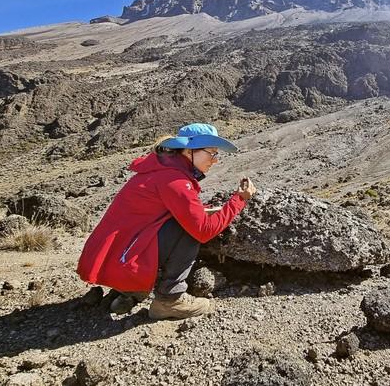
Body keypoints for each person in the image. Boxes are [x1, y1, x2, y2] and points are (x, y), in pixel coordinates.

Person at [77, 123, 256, 320]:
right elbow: (203, 230)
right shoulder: (174, 180)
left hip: (116, 258)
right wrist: (239, 199)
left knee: (183, 222)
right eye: (211, 153)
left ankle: (130, 290)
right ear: (189, 151)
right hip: (124, 260)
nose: (214, 160)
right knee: (188, 230)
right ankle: (170, 299)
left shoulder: (161, 170)